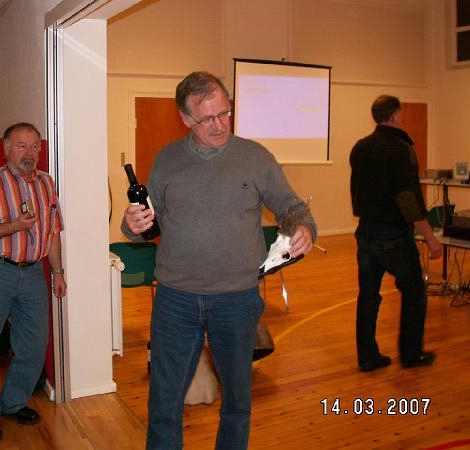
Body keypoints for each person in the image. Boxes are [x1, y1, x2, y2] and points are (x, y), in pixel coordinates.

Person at [122, 71, 316, 450]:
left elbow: (291, 206)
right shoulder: (167, 159)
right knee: (164, 403)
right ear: (185, 118)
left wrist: (305, 227)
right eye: (207, 118)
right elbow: (145, 222)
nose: (219, 125)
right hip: (175, 300)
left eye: (224, 113)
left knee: (238, 403)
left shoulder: (255, 157)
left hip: (236, 300)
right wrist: (131, 225)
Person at [0, 122, 66, 444]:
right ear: (7, 148)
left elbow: (53, 232)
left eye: (35, 146)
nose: (29, 152)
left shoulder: (47, 183)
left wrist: (58, 272)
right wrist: (14, 226)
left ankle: (13, 402)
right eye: (21, 146)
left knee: (34, 345)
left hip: (34, 274)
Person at [350, 95, 442, 373]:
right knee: (414, 292)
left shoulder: (360, 148)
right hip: (392, 236)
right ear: (396, 115)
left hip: (365, 232)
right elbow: (408, 199)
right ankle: (411, 355)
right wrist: (430, 237)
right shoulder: (401, 150)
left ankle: (368, 358)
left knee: (368, 296)